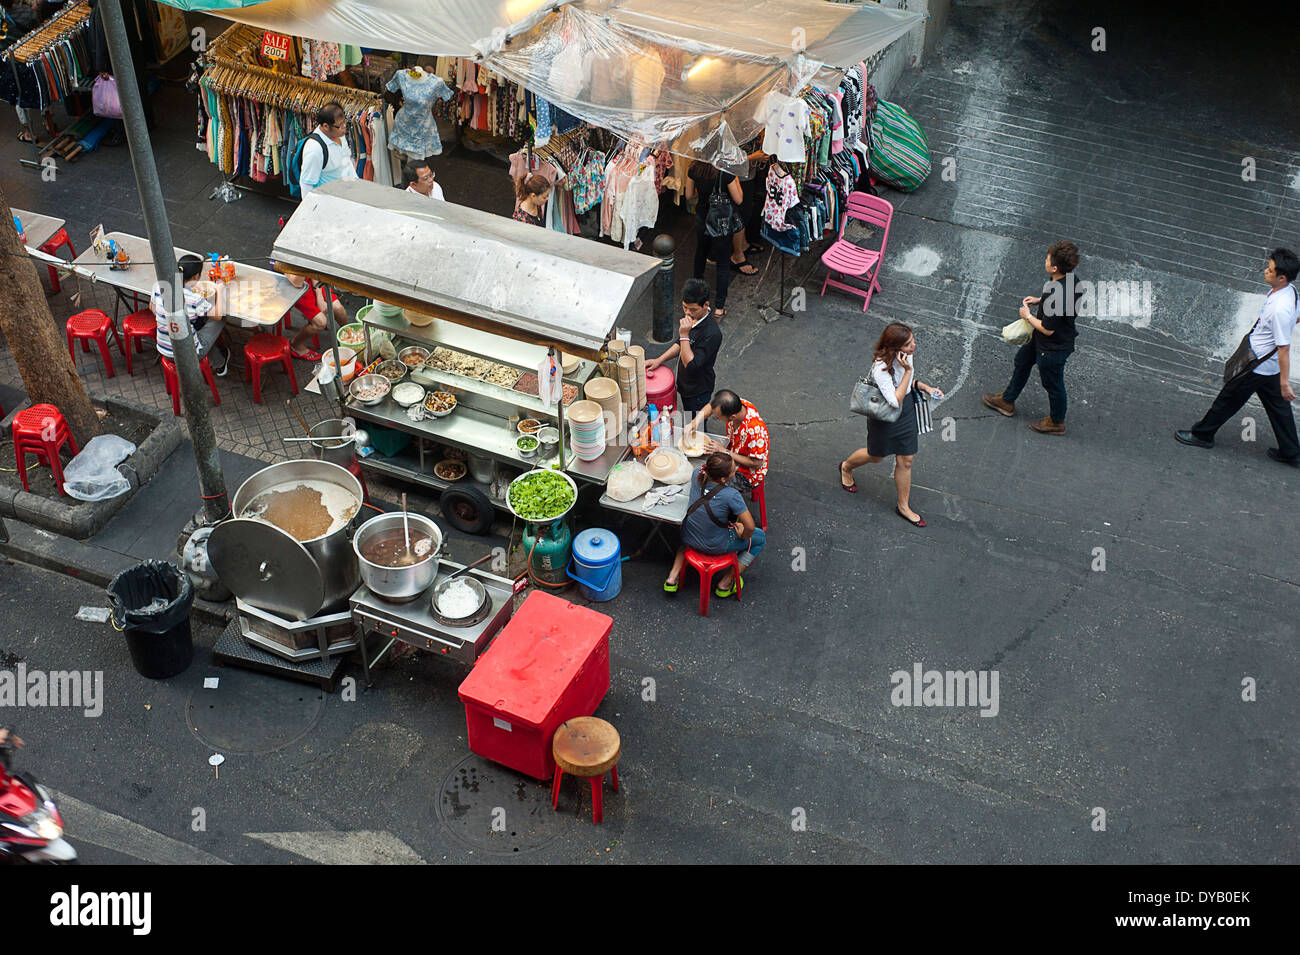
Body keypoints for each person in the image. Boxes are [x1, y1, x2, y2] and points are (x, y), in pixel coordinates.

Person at [1176, 249, 1300, 465]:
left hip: (1256, 365)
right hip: (1267, 365)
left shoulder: (1281, 309)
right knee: (1279, 408)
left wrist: (1284, 383)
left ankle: (1202, 434)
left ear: (1282, 277)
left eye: (1270, 270)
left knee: (1228, 399)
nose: (1265, 271)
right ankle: (1292, 453)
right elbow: (1297, 317)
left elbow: (1284, 349)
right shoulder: (1290, 291)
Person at [840, 322, 943, 527]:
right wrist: (906, 372)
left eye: (913, 340)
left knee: (906, 459)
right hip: (885, 416)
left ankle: (903, 506)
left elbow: (908, 386)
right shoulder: (881, 368)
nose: (913, 346)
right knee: (876, 456)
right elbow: (894, 399)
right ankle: (846, 467)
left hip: (905, 412)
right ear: (895, 347)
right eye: (907, 344)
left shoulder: (907, 357)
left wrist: (926, 387)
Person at [982, 241, 1082, 435]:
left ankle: (1056, 422)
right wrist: (1039, 300)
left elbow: (1047, 329)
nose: (1044, 260)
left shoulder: (1056, 294)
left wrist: (1027, 316)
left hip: (1052, 348)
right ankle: (1007, 401)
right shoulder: (1071, 280)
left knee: (1053, 385)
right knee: (1022, 361)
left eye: (1047, 258)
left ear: (1054, 267)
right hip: (1043, 341)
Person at [663, 452, 767, 597]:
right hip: (716, 545)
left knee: (687, 543)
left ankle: (672, 578)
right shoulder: (731, 495)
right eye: (733, 469)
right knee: (760, 538)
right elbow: (749, 526)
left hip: (688, 536)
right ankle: (726, 583)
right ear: (724, 478)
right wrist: (744, 535)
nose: (735, 469)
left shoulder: (695, 475)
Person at [683, 160, 754, 318]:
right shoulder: (726, 172)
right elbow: (739, 199)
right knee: (722, 263)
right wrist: (735, 178)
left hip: (702, 218)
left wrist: (701, 194)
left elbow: (689, 195)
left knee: (700, 253)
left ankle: (696, 299)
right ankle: (719, 307)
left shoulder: (694, 168)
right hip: (721, 223)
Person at [645, 278, 723, 422]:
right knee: (688, 417)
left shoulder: (712, 333)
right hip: (685, 385)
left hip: (698, 390)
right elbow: (680, 344)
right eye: (684, 307)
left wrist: (684, 334)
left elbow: (691, 365)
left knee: (696, 424)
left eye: (693, 309)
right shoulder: (692, 319)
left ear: (706, 305)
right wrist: (658, 360)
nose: (687, 313)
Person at [150, 253, 228, 376]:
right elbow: (218, 315)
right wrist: (219, 290)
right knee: (221, 318)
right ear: (196, 276)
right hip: (188, 355)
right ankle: (220, 363)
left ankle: (218, 360)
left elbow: (152, 307)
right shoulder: (194, 299)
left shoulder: (160, 285)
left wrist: (168, 317)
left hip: (163, 349)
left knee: (194, 324)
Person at [686, 389, 770, 493]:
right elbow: (711, 406)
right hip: (732, 449)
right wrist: (695, 422)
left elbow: (756, 463)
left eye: (718, 418)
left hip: (747, 474)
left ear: (732, 417)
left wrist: (724, 451)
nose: (715, 417)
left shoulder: (756, 433)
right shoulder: (737, 404)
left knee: (706, 481)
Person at [299, 102, 359, 197]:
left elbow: (347, 163)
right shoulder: (315, 149)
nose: (344, 127)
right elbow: (307, 185)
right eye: (340, 125)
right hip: (329, 203)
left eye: (344, 122)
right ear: (326, 126)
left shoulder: (339, 134)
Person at [284, 274, 347, 361]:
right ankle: (295, 344)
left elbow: (313, 271)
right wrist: (304, 262)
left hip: (310, 278)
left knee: (338, 308)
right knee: (320, 323)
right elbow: (297, 283)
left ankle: (348, 334)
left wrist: (319, 295)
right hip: (291, 286)